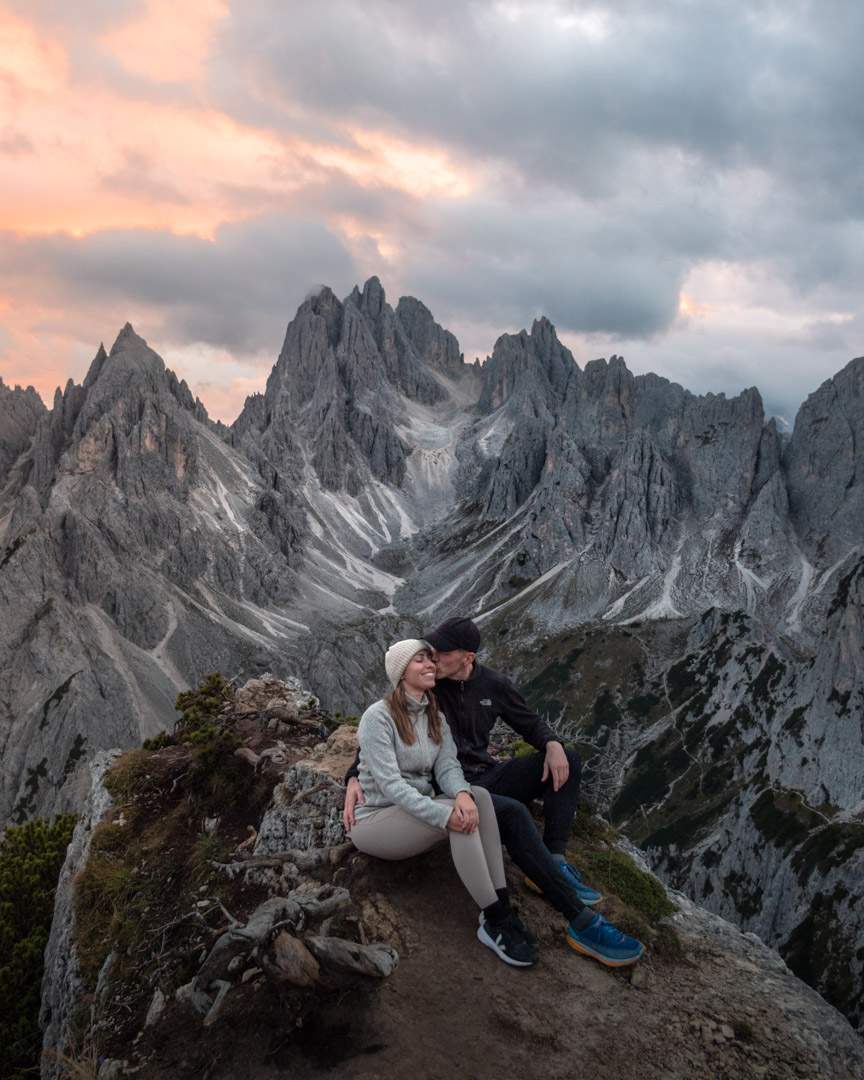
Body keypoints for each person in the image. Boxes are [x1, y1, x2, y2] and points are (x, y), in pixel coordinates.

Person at [345, 618, 644, 968]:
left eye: (439, 654)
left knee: (552, 768)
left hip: (476, 777)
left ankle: (552, 863)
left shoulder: (449, 703)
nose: (433, 661)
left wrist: (553, 743)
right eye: (424, 657)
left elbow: (476, 748)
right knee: (502, 814)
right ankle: (507, 915)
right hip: (406, 805)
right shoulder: (409, 701)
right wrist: (354, 776)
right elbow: (379, 754)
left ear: (466, 657)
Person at [347, 638, 538, 967]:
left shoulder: (434, 715)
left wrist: (462, 793)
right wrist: (442, 813)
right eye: (419, 660)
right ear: (401, 672)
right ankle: (494, 919)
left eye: (430, 659)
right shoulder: (377, 717)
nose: (430, 665)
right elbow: (391, 785)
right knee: (458, 818)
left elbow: (448, 766)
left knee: (478, 797)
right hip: (374, 820)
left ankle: (501, 903)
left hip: (412, 809)